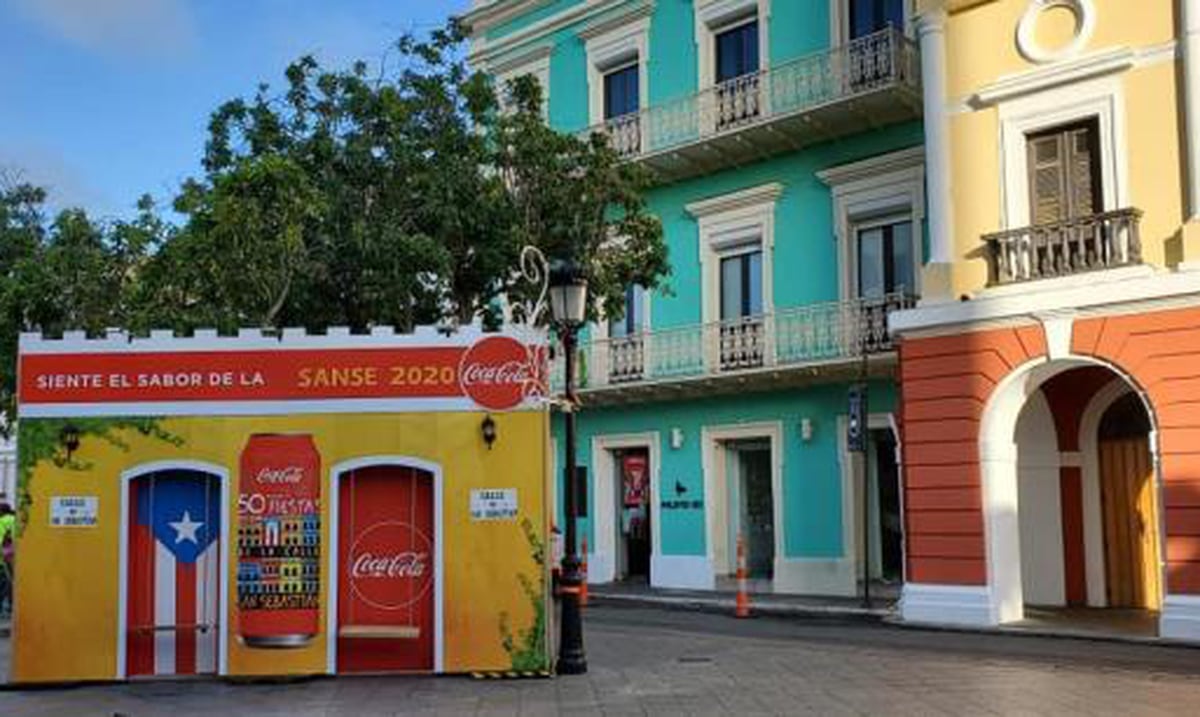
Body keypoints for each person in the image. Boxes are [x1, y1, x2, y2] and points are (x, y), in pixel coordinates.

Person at [0, 501, 14, 618]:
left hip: (5, 555)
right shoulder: (15, 519)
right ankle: (12, 604)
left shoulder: (2, 521)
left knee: (6, 581)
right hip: (17, 554)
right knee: (12, 581)